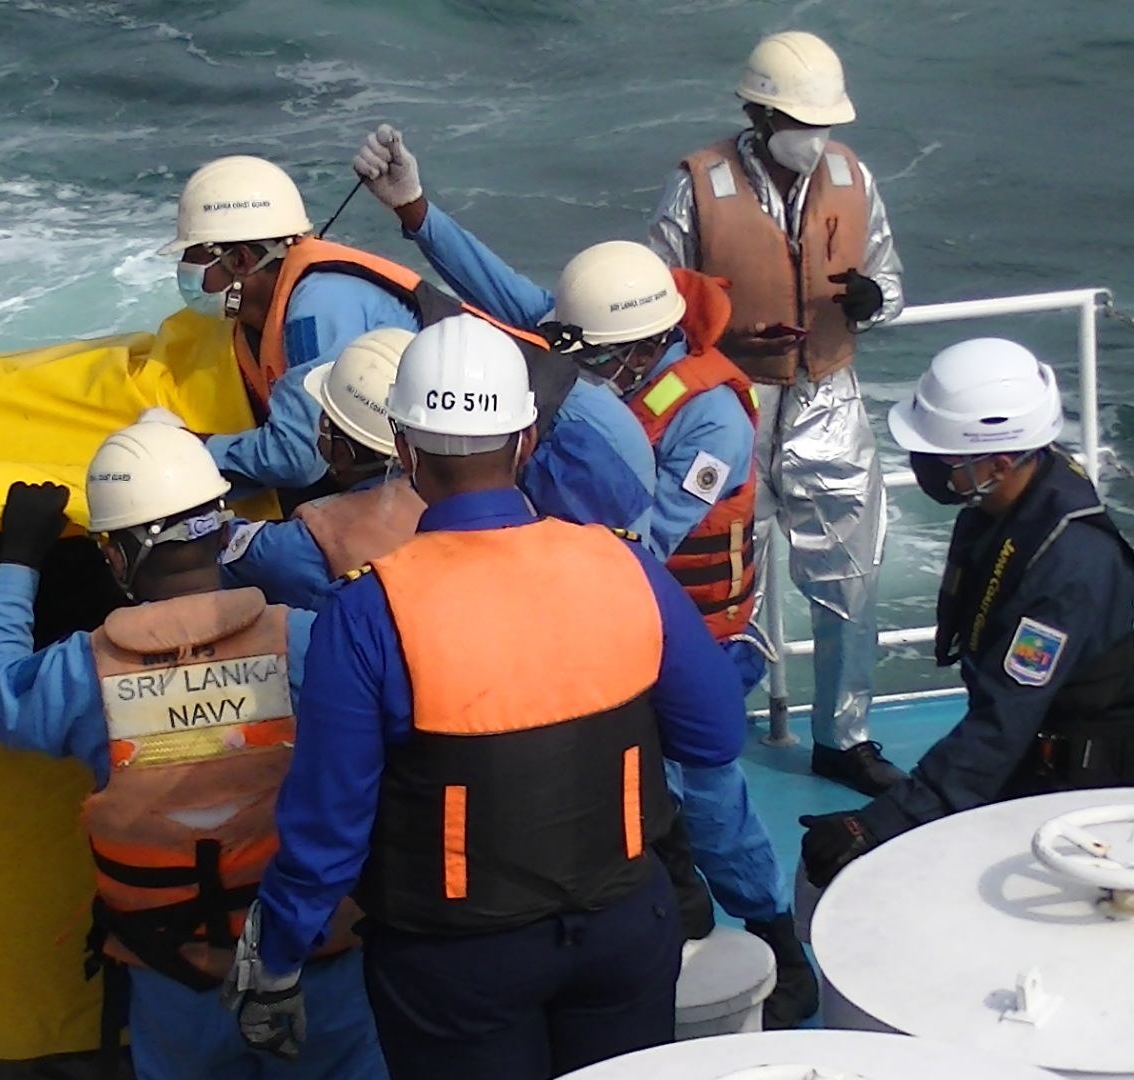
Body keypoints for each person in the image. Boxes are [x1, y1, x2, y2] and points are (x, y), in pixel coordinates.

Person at [350, 126, 815, 1025]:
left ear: (645, 348)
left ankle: (772, 928)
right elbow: (506, 297)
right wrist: (415, 212)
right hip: (591, 614)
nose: (579, 371)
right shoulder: (601, 346)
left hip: (694, 634)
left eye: (594, 360)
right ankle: (670, 907)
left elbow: (644, 539)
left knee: (704, 794)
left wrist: (506, 540)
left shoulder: (711, 421)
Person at [228, 316, 748, 1079]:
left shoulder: (368, 613)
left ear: (404, 450)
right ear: (527, 440)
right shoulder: (625, 568)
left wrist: (276, 963)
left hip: (455, 966)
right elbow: (713, 738)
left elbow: (328, 828)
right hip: (624, 931)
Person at [0, 422, 386, 1080]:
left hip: (174, 976)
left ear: (114, 557)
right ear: (222, 532)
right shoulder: (306, 643)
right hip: (313, 962)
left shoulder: (80, 675)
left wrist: (16, 563)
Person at [648, 31, 907, 796]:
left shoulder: (854, 180)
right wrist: (722, 332)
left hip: (828, 396)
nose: (816, 138)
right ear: (760, 116)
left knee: (850, 576)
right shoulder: (696, 186)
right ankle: (708, 729)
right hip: (729, 403)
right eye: (801, 121)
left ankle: (844, 737)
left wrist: (874, 299)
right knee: (723, 581)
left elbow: (891, 278)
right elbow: (659, 298)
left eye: (825, 123)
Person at [161, 154, 657, 534]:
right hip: (534, 439)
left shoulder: (318, 306)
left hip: (574, 448)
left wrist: (189, 451)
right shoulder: (291, 300)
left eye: (195, 255)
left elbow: (299, 453)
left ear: (242, 259)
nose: (186, 270)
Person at [799, 339, 1134, 888]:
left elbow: (1004, 723)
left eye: (942, 459)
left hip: (1068, 783)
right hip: (1028, 749)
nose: (926, 467)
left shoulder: (1069, 569)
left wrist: (877, 825)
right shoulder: (1012, 501)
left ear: (1000, 462)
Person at [222, 328, 425, 611]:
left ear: (342, 453)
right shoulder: (476, 495)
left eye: (324, 419)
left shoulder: (310, 542)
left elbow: (215, 549)